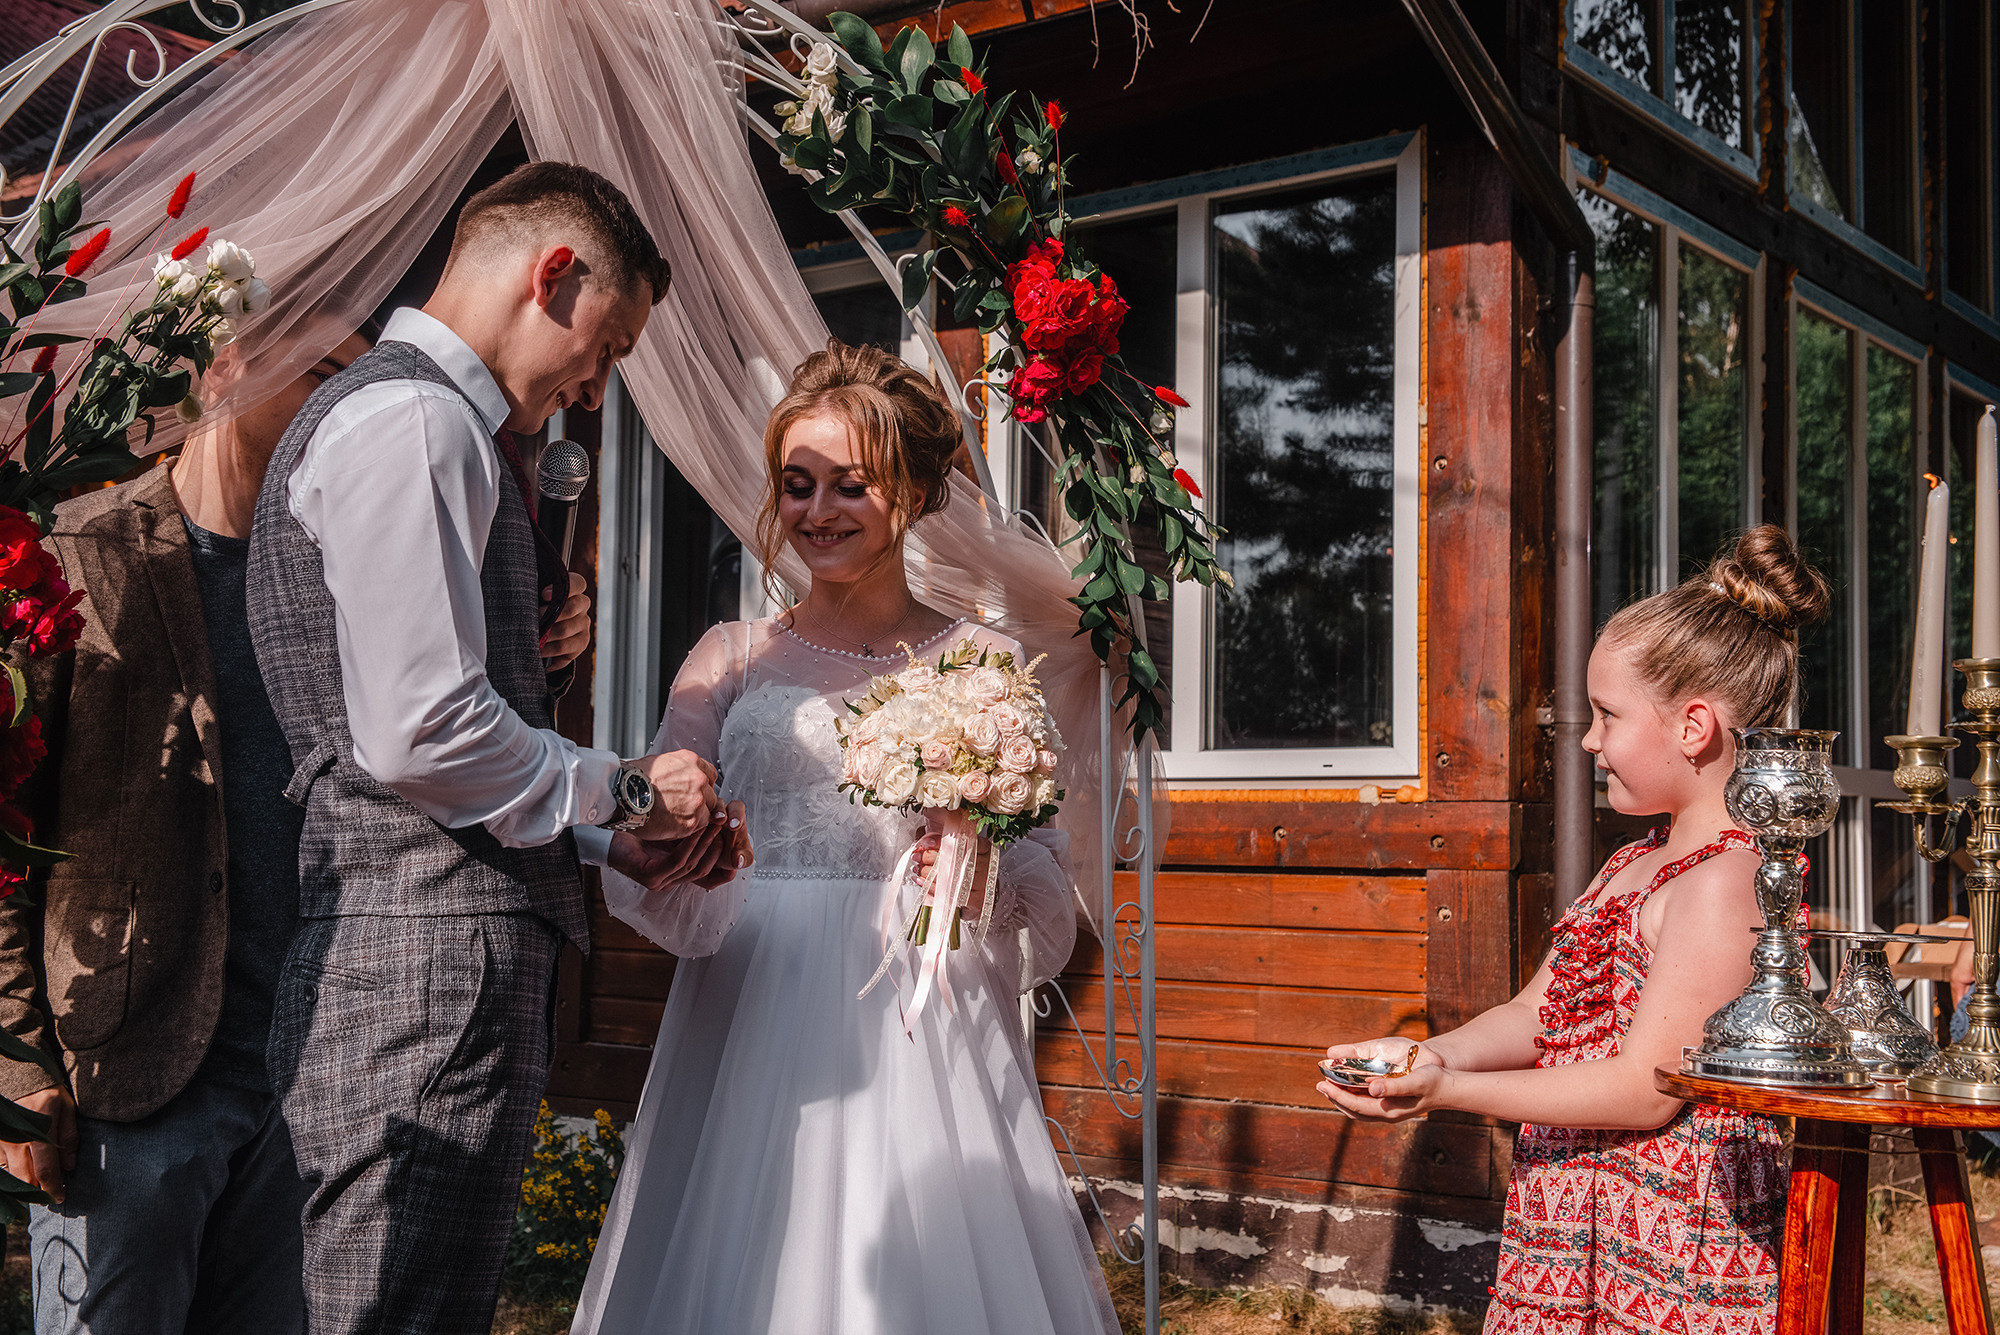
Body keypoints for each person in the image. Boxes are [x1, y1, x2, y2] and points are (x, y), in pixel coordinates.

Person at [246, 161, 748, 1335]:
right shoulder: (418, 423)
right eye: (610, 346)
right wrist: (624, 790)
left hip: (414, 944)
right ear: (553, 275)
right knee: (387, 1310)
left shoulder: (418, 422)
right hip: (422, 963)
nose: (593, 387)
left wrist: (596, 843)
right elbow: (422, 734)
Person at [571, 340, 1119, 1335]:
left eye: (849, 486)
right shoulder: (729, 654)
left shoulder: (981, 658)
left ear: (908, 493)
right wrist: (662, 815)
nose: (817, 512)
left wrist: (971, 865)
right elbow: (647, 816)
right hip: (748, 988)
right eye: (797, 485)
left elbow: (1035, 873)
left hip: (916, 997)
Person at [1321, 525, 1827, 1334]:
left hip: (1670, 1243)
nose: (1588, 739)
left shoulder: (1729, 879)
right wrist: (1433, 1054)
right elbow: (1536, 1012)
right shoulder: (1636, 859)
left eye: (1606, 715)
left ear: (1693, 727)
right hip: (1573, 1207)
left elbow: (1642, 1089)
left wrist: (1445, 1093)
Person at [0, 324, 371, 1334]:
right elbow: (3, 828)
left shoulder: (345, 586)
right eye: (330, 374)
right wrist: (21, 1065)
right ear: (225, 363)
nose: (352, 409)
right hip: (126, 1074)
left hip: (300, 1076)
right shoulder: (81, 550)